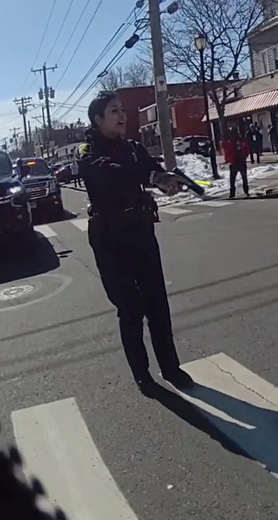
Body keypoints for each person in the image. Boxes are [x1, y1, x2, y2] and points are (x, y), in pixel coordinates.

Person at [77, 90, 193, 395]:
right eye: (114, 111)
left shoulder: (132, 148)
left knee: (157, 302)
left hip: (140, 231)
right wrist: (149, 178)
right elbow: (109, 176)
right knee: (130, 308)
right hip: (109, 238)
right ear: (97, 119)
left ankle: (171, 367)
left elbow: (148, 169)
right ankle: (142, 375)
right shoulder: (87, 151)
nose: (121, 116)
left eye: (122, 110)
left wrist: (164, 180)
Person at [223, 125, 250, 199]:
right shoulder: (229, 142)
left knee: (242, 177)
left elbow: (246, 147)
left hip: (240, 161)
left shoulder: (240, 140)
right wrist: (228, 159)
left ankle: (245, 191)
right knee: (233, 179)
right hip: (234, 162)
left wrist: (245, 155)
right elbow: (227, 151)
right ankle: (233, 193)